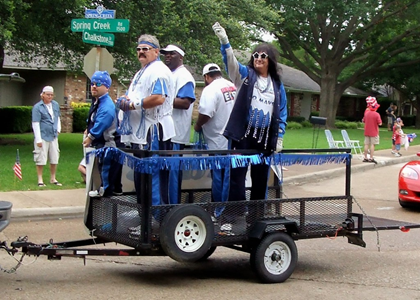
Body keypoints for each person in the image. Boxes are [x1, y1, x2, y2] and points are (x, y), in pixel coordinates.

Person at [212, 22, 288, 224]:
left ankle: (256, 218)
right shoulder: (245, 76)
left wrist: (279, 136)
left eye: (263, 56)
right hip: (243, 137)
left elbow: (281, 113)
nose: (258, 59)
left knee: (260, 179)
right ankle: (231, 216)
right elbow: (232, 65)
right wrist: (225, 43)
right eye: (256, 55)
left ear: (270, 60)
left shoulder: (277, 85)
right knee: (236, 177)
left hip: (264, 139)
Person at [116, 34, 175, 206]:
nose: (141, 52)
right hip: (140, 133)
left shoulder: (159, 71)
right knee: (141, 176)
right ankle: (144, 219)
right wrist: (124, 100)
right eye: (139, 49)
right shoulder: (142, 71)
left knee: (153, 176)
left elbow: (158, 98)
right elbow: (136, 95)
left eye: (146, 49)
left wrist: (133, 104)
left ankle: (156, 219)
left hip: (154, 130)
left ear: (156, 52)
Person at [194, 63, 237, 221]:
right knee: (230, 177)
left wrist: (198, 125)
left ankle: (219, 210)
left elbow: (206, 113)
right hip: (232, 141)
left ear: (206, 77)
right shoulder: (231, 85)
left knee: (219, 177)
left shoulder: (210, 89)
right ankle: (230, 209)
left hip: (217, 141)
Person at [160, 44, 196, 204]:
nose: (167, 56)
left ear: (180, 57)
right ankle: (164, 210)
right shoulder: (169, 74)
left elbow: (185, 102)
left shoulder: (184, 76)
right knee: (164, 175)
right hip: (166, 132)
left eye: (171, 54)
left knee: (172, 176)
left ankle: (172, 210)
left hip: (176, 135)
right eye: (165, 54)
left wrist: (161, 100)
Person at [83, 71, 117, 197]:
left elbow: (103, 121)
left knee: (106, 168)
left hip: (109, 143)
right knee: (101, 166)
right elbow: (93, 118)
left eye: (98, 84)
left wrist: (90, 137)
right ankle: (104, 190)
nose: (94, 86)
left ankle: (105, 192)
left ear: (106, 87)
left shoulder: (106, 104)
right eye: (92, 83)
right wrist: (88, 129)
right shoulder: (97, 101)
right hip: (101, 143)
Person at [32, 86, 62, 187]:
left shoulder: (55, 105)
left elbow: (57, 117)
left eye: (51, 95)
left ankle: (53, 178)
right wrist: (38, 139)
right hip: (43, 135)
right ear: (43, 95)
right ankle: (40, 179)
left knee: (54, 157)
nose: (50, 96)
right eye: (48, 94)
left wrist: (58, 129)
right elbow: (35, 123)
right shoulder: (37, 107)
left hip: (53, 135)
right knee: (41, 157)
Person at [362, 96, 382, 163]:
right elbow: (380, 123)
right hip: (374, 132)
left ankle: (365, 157)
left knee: (366, 144)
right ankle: (371, 157)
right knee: (372, 144)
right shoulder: (377, 114)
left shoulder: (366, 113)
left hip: (366, 131)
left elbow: (364, 121)